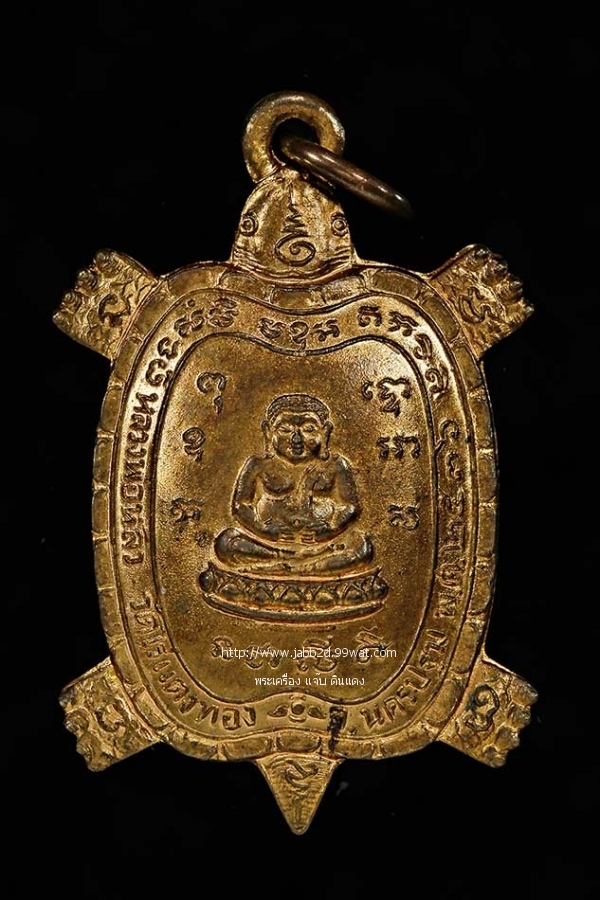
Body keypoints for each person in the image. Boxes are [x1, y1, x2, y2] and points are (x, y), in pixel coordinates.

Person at [215, 394, 373, 576]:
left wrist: (330, 529)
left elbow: (350, 506)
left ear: (325, 432)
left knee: (361, 546)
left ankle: (289, 568)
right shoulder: (258, 465)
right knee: (227, 542)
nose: (296, 439)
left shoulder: (336, 465)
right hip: (268, 544)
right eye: (285, 430)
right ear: (268, 431)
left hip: (323, 545)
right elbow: (240, 505)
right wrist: (264, 529)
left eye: (309, 429)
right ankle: (293, 562)